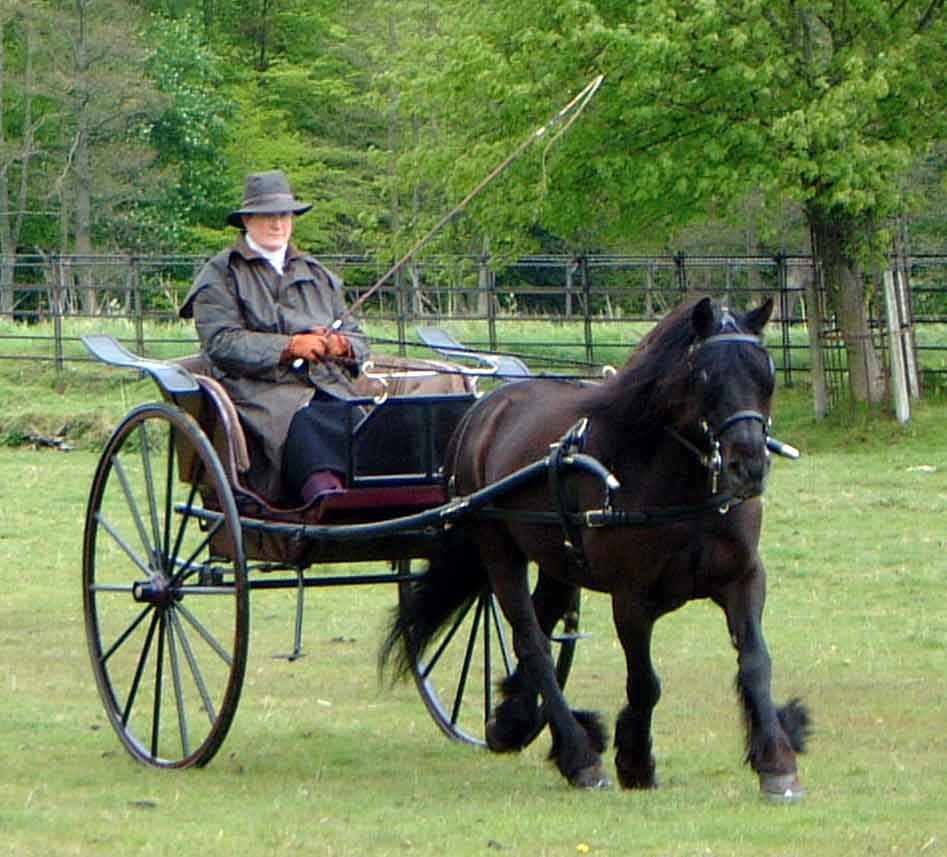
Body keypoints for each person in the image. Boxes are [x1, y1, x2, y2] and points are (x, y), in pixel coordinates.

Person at [179, 170, 369, 506]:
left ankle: (370, 497)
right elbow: (222, 342)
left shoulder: (318, 275)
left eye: (284, 215)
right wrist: (289, 346)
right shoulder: (221, 274)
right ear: (247, 220)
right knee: (305, 420)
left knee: (365, 419)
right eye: (267, 216)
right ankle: (323, 496)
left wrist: (342, 345)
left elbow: (358, 337)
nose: (277, 224)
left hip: (328, 386)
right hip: (256, 392)